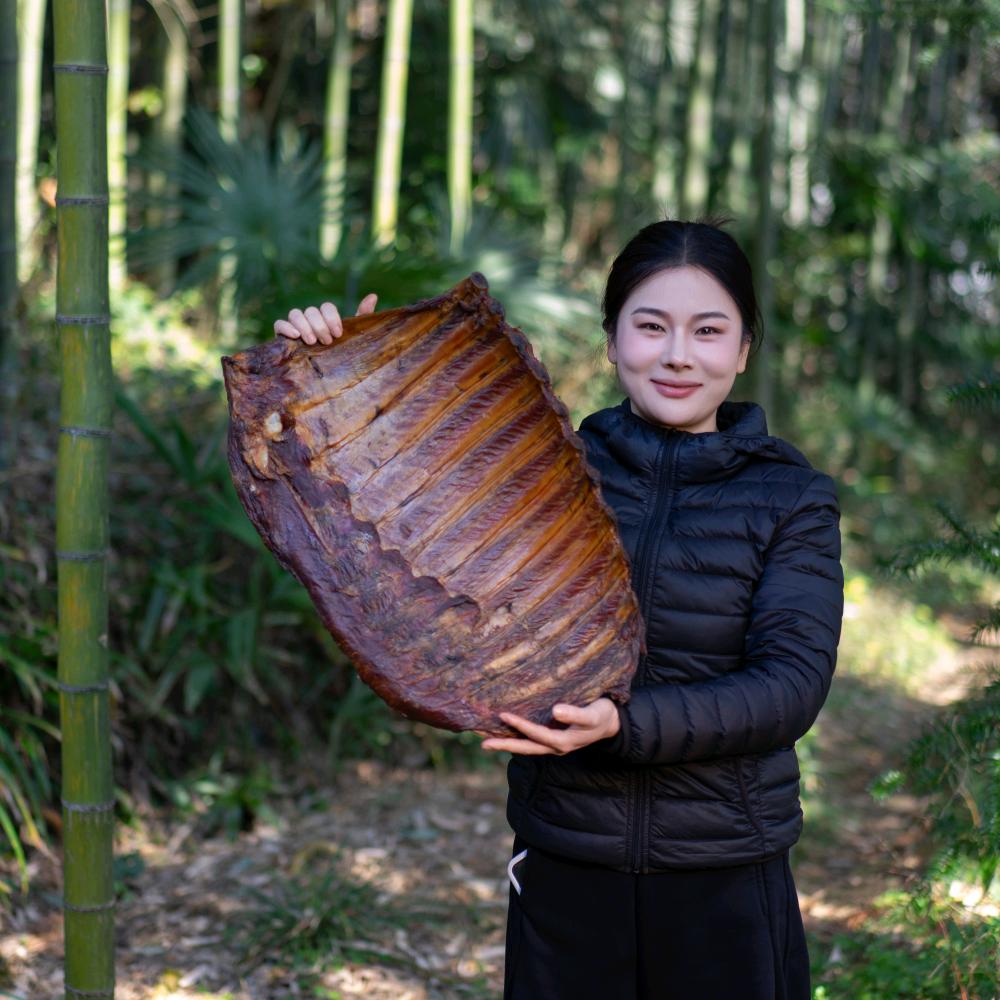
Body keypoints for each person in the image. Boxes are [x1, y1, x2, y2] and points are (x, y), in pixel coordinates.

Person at [273, 218, 845, 1000]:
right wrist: (345, 370)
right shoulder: (540, 474)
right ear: (612, 339)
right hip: (567, 863)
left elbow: (790, 686)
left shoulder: (792, 500)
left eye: (708, 331)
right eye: (651, 326)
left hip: (724, 876)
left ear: (744, 349)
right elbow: (407, 532)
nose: (678, 354)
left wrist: (624, 723)